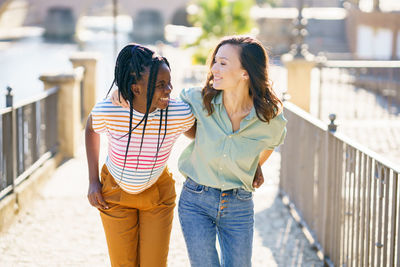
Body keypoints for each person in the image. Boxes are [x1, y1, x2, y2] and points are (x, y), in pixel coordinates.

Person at [177, 36, 287, 267]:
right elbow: (163, 100)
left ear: (245, 73)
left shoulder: (269, 119)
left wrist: (253, 165)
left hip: (239, 204)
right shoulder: (198, 100)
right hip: (196, 200)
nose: (214, 69)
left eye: (223, 63)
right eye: (215, 62)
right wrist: (121, 95)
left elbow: (269, 145)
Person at [85, 43, 195, 267]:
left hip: (157, 195)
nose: (169, 90)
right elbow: (91, 128)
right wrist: (93, 180)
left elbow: (203, 135)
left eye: (169, 83)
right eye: (160, 85)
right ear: (135, 88)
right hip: (114, 195)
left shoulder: (178, 113)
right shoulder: (110, 110)